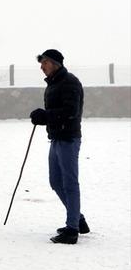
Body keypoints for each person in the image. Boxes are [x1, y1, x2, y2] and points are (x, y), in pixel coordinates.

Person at [29, 49, 89, 244]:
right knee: (55, 181)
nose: (41, 67)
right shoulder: (53, 84)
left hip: (69, 139)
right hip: (56, 138)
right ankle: (78, 219)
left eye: (44, 63)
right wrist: (43, 118)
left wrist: (46, 116)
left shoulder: (70, 82)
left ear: (54, 63)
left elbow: (70, 111)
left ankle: (72, 230)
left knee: (70, 183)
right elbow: (55, 112)